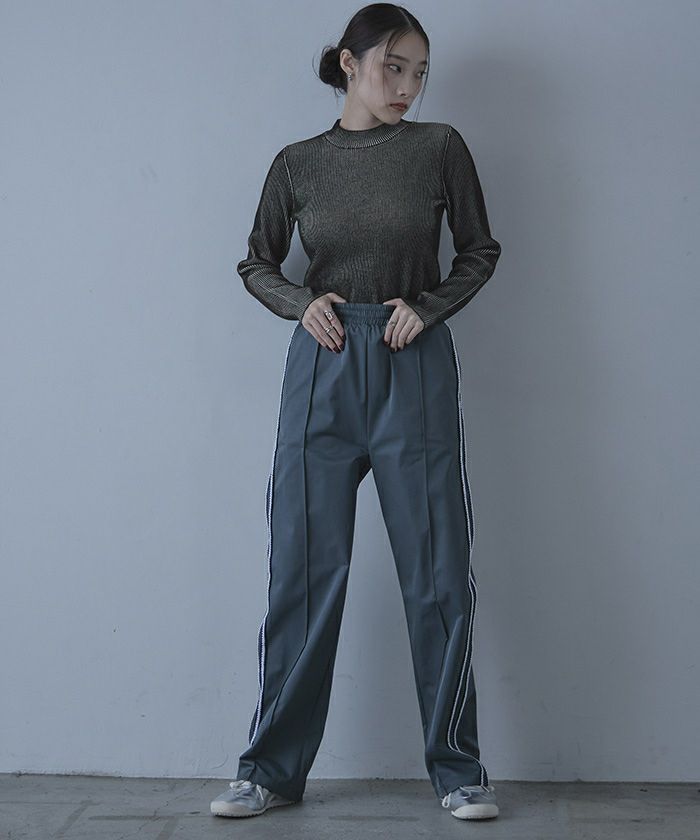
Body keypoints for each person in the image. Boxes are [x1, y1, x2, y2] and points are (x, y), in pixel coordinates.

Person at [211, 2, 502, 822]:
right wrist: (300, 303)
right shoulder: (298, 163)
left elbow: (479, 250)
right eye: (392, 67)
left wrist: (430, 306)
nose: (408, 86)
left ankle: (459, 770)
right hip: (325, 363)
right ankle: (270, 771)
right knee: (303, 574)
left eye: (420, 72)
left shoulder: (438, 149)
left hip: (413, 361)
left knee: (437, 573)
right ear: (349, 62)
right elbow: (257, 262)